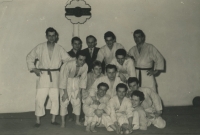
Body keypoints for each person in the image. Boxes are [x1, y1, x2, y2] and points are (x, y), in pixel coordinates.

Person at [26, 27, 72, 127]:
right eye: (49, 36)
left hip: (55, 76)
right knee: (40, 98)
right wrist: (34, 69)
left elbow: (68, 60)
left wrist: (77, 63)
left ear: (56, 36)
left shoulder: (59, 48)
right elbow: (30, 57)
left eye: (53, 36)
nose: (51, 38)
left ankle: (53, 119)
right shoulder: (40, 47)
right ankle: (38, 120)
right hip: (43, 75)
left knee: (55, 99)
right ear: (46, 36)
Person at [59, 51, 88, 127]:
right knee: (64, 101)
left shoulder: (85, 66)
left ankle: (77, 121)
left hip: (76, 81)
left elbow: (83, 79)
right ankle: (63, 122)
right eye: (80, 59)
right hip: (66, 82)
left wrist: (80, 92)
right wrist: (65, 93)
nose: (82, 62)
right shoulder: (68, 64)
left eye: (84, 60)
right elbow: (63, 78)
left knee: (78, 101)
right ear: (76, 59)